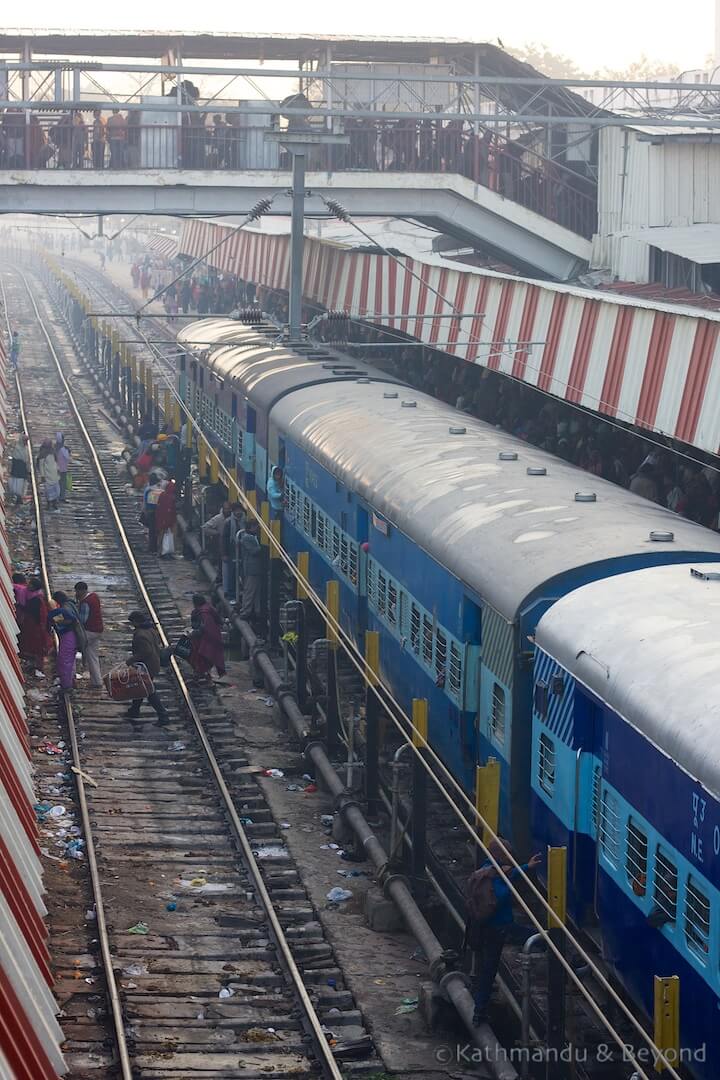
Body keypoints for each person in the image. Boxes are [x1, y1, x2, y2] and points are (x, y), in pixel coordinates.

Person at [466, 839, 542, 1025]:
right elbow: (499, 893)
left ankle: (479, 1011)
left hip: (485, 928)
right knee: (489, 970)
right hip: (499, 928)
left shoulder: (485, 870)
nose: (510, 857)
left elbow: (508, 874)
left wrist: (527, 866)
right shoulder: (495, 878)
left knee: (486, 970)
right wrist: (510, 890)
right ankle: (479, 1012)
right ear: (499, 856)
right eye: (507, 854)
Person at [124, 611, 169, 724]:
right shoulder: (150, 630)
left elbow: (146, 651)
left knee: (148, 691)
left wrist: (131, 660)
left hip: (147, 666)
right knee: (141, 688)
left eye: (132, 622)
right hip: (153, 663)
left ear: (136, 621)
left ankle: (163, 716)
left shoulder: (140, 635)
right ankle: (134, 710)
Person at [48, 590, 85, 692]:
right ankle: (69, 681)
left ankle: (66, 685)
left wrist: (56, 619)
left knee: (64, 660)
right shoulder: (69, 605)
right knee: (67, 660)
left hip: (68, 637)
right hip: (69, 637)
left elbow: (70, 620)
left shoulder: (63, 610)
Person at [188, 593, 226, 681]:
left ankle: (201, 672)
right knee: (207, 656)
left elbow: (204, 628)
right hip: (213, 637)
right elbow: (219, 621)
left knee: (201, 653)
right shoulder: (209, 608)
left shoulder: (203, 612)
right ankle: (203, 672)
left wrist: (193, 633)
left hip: (207, 639)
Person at [74, 581, 104, 689]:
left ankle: (72, 676)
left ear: (81, 590)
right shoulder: (94, 596)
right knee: (93, 656)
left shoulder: (86, 602)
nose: (76, 593)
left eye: (77, 591)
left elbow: (83, 619)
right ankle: (97, 681)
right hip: (98, 630)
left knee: (72, 648)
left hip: (89, 631)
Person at [20, 577, 50, 676]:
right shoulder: (37, 597)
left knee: (35, 647)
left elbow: (33, 613)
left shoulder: (35, 600)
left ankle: (36, 666)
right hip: (36, 627)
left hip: (35, 628)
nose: (28, 585)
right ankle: (35, 666)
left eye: (31, 584)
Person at [239, 519, 264, 623]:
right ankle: (245, 611)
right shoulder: (246, 538)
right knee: (249, 590)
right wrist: (264, 546)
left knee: (256, 591)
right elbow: (254, 551)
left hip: (256, 569)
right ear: (250, 527)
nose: (257, 528)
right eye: (255, 526)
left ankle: (257, 611)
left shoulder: (252, 537)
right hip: (251, 569)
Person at [221, 502, 245, 597]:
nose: (238, 512)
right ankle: (231, 593)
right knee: (232, 573)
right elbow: (225, 539)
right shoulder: (228, 522)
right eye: (236, 510)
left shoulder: (245, 520)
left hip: (243, 550)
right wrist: (224, 554)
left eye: (240, 510)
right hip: (232, 550)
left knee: (243, 573)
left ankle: (241, 592)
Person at [155, 478, 177, 558]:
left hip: (161, 518)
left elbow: (159, 507)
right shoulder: (172, 497)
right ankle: (169, 551)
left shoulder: (162, 495)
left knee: (161, 535)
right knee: (171, 535)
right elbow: (172, 509)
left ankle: (159, 551)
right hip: (170, 519)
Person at [38, 441, 61, 510]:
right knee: (49, 491)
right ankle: (49, 504)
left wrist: (58, 469)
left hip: (54, 474)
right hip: (48, 475)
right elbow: (41, 466)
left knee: (55, 490)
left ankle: (54, 503)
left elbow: (56, 462)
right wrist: (42, 475)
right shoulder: (42, 455)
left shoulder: (53, 453)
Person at [9, 433, 29, 503]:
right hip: (18, 469)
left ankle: (19, 498)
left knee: (20, 485)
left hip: (21, 470)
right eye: (25, 441)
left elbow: (26, 460)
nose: (26, 443)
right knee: (17, 485)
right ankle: (17, 498)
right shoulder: (18, 448)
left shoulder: (24, 448)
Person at [55, 435, 71, 502]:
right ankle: (61, 497)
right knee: (62, 483)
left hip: (55, 468)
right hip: (63, 469)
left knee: (56, 483)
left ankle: (56, 497)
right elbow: (67, 457)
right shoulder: (63, 449)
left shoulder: (54, 448)